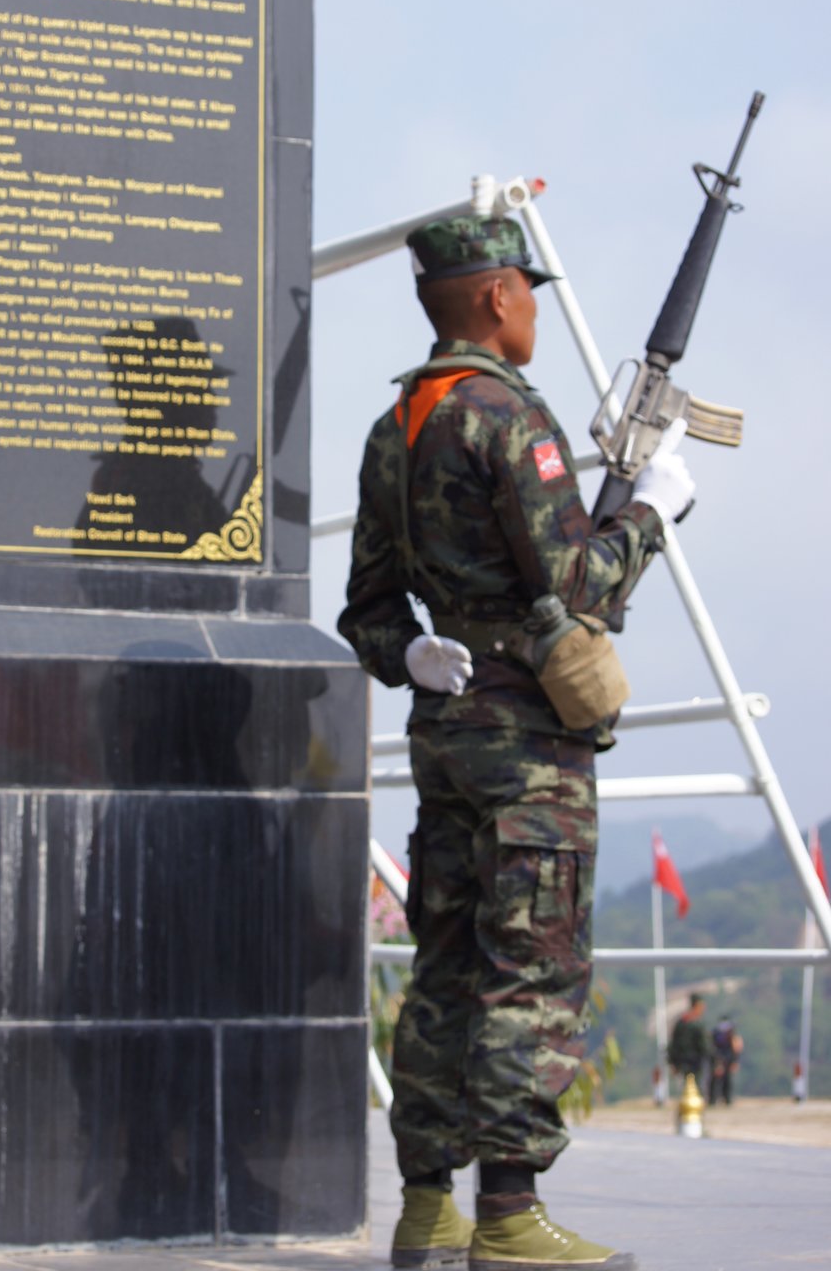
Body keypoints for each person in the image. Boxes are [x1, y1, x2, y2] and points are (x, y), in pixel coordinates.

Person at [338, 213, 695, 1271]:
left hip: (446, 730)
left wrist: (409, 656)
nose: (532, 305)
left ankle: (426, 1208)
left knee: (445, 966)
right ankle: (507, 1213)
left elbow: (366, 610)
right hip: (527, 744)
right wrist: (653, 512)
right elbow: (577, 584)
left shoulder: (396, 424)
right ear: (496, 296)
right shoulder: (507, 414)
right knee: (529, 969)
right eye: (526, 289)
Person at [708, 1013, 742, 1105]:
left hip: (728, 1059)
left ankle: (727, 1099)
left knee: (727, 1080)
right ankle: (713, 1099)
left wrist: (735, 1061)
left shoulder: (732, 1034)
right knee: (715, 1080)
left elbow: (736, 1049)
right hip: (717, 1058)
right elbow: (712, 1048)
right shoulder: (715, 1033)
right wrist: (717, 1063)